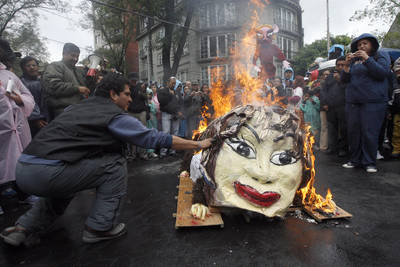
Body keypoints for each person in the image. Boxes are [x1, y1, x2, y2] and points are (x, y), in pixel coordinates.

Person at [0, 73, 212, 246]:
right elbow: (152, 138)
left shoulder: (76, 107)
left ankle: (23, 228)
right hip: (47, 172)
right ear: (113, 94)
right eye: (127, 94)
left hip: (25, 168)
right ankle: (100, 227)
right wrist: (197, 144)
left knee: (66, 186)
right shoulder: (114, 115)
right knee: (115, 164)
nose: (130, 99)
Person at [341, 33, 391, 173]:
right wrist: (346, 64)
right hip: (354, 102)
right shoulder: (355, 61)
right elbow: (344, 80)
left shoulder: (380, 56)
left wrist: (367, 59)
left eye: (365, 43)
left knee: (370, 133)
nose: (361, 46)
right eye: (359, 44)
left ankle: (370, 162)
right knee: (354, 132)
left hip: (373, 102)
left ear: (372, 45)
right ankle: (355, 160)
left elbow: (382, 73)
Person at [0, 38, 35, 213]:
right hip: (2, 130)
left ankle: (23, 194)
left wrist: (19, 99)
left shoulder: (9, 76)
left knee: (19, 161)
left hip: (17, 128)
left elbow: (28, 96)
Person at [42, 43, 90, 121]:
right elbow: (53, 86)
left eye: (77, 56)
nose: (75, 59)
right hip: (63, 113)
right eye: (73, 55)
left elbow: (86, 87)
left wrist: (94, 80)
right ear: (64, 54)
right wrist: (77, 88)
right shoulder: (55, 66)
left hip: (79, 110)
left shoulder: (78, 70)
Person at [320, 56, 348, 157]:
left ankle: (343, 149)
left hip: (343, 107)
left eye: (342, 65)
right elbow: (323, 90)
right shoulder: (330, 76)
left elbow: (348, 89)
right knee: (332, 128)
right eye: (338, 65)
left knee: (344, 129)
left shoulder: (347, 75)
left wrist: (340, 80)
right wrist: (324, 103)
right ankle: (333, 147)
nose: (340, 67)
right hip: (331, 107)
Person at [20, 56, 48, 137]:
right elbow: (28, 102)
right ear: (23, 68)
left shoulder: (40, 81)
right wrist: (36, 119)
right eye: (28, 66)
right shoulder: (22, 83)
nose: (32, 67)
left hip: (45, 118)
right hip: (33, 121)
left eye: (34, 65)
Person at [157, 77, 182, 157]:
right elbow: (162, 101)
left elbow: (180, 102)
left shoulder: (177, 92)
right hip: (166, 114)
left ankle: (172, 150)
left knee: (175, 133)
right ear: (168, 83)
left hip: (175, 114)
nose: (174, 85)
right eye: (172, 83)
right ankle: (163, 152)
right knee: (166, 132)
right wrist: (171, 95)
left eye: (175, 83)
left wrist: (179, 111)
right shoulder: (162, 91)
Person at [127, 73, 149, 160]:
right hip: (131, 112)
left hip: (141, 113)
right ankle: (132, 154)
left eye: (135, 80)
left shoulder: (140, 87)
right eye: (132, 80)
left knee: (143, 132)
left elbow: (146, 98)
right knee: (132, 134)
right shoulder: (127, 87)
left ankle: (142, 154)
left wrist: (142, 91)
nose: (134, 81)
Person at [389, 57, 400, 158]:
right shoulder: (393, 79)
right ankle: (396, 149)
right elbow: (392, 93)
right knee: (396, 130)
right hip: (397, 107)